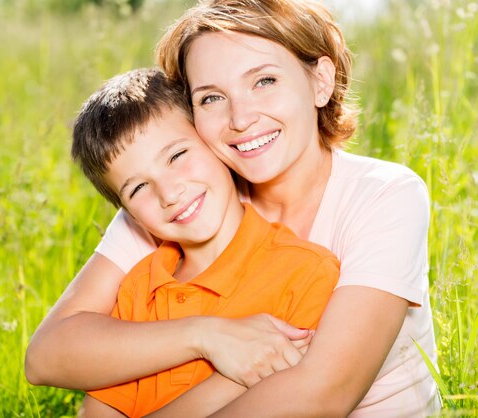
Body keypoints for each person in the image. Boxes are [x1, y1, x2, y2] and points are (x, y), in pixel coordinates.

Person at [25, 0, 439, 416]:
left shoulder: (385, 196)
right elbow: (48, 355)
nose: (240, 118)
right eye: (211, 98)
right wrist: (205, 335)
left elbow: (323, 392)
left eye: (264, 81)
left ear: (320, 81)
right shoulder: (182, 200)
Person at [69, 67, 340, 418]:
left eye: (177, 156)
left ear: (215, 145)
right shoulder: (139, 290)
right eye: (138, 189)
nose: (169, 193)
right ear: (129, 214)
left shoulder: (306, 272)